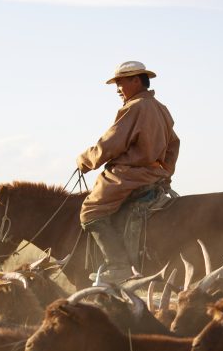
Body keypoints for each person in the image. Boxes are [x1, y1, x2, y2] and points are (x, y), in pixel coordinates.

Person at [76, 60, 180, 283]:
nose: (117, 90)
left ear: (136, 80)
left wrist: (85, 160)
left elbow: (111, 144)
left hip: (129, 175)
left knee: (90, 210)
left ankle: (118, 266)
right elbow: (174, 144)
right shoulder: (161, 108)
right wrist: (165, 173)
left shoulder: (134, 107)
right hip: (154, 175)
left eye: (120, 83)